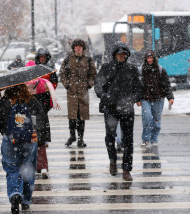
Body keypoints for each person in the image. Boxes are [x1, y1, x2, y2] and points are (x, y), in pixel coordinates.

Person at [0, 84, 47, 213]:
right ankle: (26, 199)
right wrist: (41, 137)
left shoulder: (5, 101)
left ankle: (15, 193)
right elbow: (42, 118)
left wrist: (5, 131)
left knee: (12, 169)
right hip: (29, 139)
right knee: (27, 168)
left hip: (10, 140)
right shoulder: (31, 100)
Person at [95, 41, 143, 181]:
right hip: (111, 108)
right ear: (114, 55)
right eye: (119, 54)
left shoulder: (132, 69)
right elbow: (98, 86)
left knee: (128, 139)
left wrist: (132, 99)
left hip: (127, 109)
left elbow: (139, 87)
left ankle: (127, 169)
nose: (122, 56)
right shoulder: (106, 68)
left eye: (124, 54)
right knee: (110, 136)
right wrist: (104, 96)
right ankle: (112, 161)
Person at [59, 39, 97, 148]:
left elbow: (93, 74)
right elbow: (62, 73)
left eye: (80, 46)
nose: (78, 48)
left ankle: (81, 138)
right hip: (72, 92)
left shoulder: (88, 59)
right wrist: (67, 84)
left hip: (83, 92)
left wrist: (89, 84)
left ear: (83, 48)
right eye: (76, 46)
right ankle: (72, 136)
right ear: (74, 48)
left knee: (81, 117)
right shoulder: (68, 59)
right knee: (72, 116)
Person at [137, 50, 174, 146]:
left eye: (151, 58)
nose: (150, 60)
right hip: (145, 98)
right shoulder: (141, 70)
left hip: (159, 98)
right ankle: (145, 139)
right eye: (148, 58)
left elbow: (166, 85)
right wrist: (137, 99)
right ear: (145, 59)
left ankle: (154, 139)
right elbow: (137, 86)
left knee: (156, 120)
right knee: (147, 118)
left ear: (154, 58)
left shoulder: (160, 70)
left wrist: (170, 97)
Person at [33, 48, 58, 179]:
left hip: (44, 103)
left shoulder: (50, 69)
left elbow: (54, 83)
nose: (42, 59)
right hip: (35, 102)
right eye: (40, 57)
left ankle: (42, 165)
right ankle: (38, 164)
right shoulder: (33, 69)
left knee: (40, 136)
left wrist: (47, 88)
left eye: (44, 57)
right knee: (35, 136)